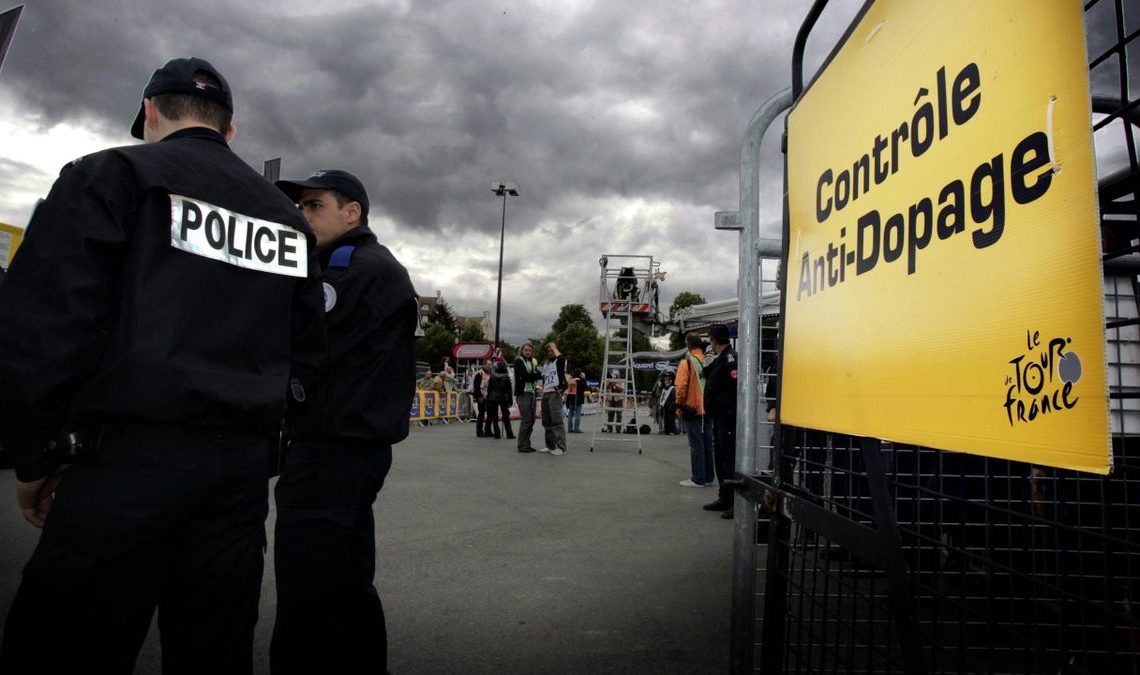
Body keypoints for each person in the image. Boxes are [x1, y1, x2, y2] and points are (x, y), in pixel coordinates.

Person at [0, 57, 325, 673]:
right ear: (229, 131)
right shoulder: (285, 221)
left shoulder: (111, 174)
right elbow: (307, 352)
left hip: (121, 466)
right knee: (212, 651)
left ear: (150, 112)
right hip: (236, 480)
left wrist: (36, 455)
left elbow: (47, 328)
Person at [271, 168, 417, 673]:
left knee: (308, 591)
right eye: (300, 206)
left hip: (332, 448)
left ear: (352, 212)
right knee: (344, 584)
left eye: (314, 206)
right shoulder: (361, 262)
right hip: (350, 446)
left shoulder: (349, 265)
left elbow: (299, 344)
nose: (301, 215)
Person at [702, 324, 739, 517]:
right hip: (719, 416)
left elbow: (733, 389)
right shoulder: (721, 359)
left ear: (714, 340)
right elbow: (708, 374)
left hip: (727, 416)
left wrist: (725, 408)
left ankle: (733, 501)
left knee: (728, 459)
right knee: (720, 458)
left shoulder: (731, 359)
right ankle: (724, 497)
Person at [676, 332, 714, 487]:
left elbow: (680, 387)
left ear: (688, 345)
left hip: (692, 407)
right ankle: (709, 477)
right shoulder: (708, 360)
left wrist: (679, 406)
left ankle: (698, 478)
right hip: (708, 407)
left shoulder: (687, 362)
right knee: (707, 443)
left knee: (696, 443)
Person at [513, 342, 543, 453]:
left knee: (531, 420)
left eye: (530, 350)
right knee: (526, 420)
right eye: (526, 350)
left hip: (531, 393)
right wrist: (534, 375)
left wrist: (533, 375)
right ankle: (521, 445)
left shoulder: (532, 362)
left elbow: (538, 374)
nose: (528, 352)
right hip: (523, 393)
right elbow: (524, 377)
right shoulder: (519, 361)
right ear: (522, 351)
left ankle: (526, 443)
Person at [539, 341, 568, 455]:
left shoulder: (558, 362)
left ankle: (561, 448)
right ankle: (550, 446)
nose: (550, 352)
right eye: (549, 351)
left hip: (555, 393)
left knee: (556, 421)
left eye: (552, 350)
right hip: (546, 393)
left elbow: (561, 358)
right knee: (546, 421)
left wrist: (554, 347)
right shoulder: (547, 364)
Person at [486, 360, 515, 439]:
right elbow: (509, 391)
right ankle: (509, 434)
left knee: (495, 416)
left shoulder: (492, 376)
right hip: (503, 397)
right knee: (506, 416)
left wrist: (488, 398)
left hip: (492, 397)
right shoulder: (506, 377)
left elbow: (489, 389)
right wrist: (510, 401)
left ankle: (497, 434)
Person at [472, 359, 492, 437]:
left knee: (490, 414)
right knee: (481, 414)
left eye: (491, 364)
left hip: (489, 397)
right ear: (484, 365)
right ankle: (479, 431)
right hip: (482, 397)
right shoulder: (479, 373)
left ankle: (488, 430)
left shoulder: (490, 373)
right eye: (488, 364)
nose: (490, 366)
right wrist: (479, 396)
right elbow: (476, 386)